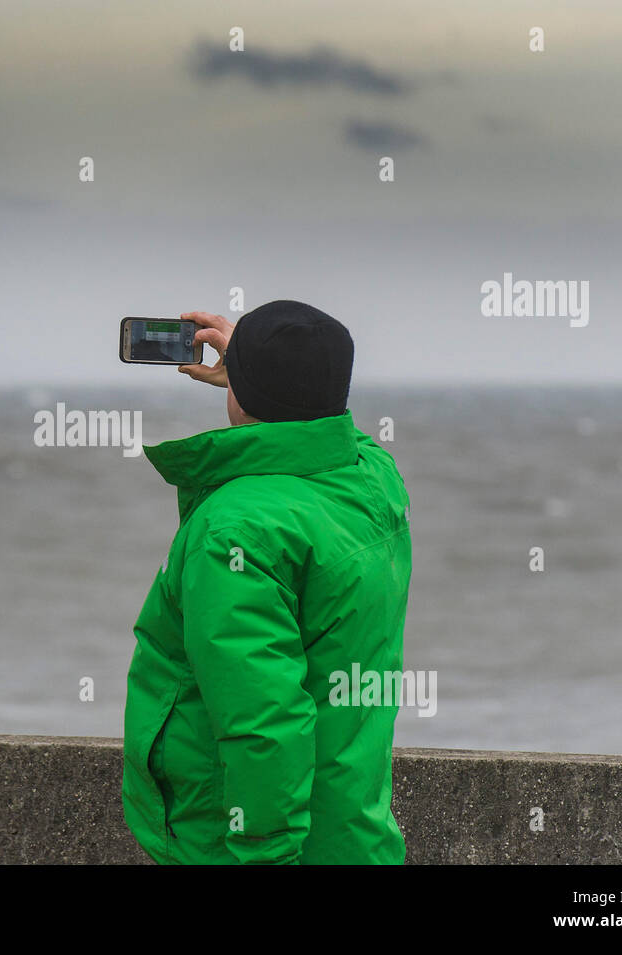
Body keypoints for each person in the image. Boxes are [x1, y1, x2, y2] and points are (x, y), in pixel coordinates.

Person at [122, 299, 413, 864]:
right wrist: (264, 375)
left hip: (248, 850)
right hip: (352, 834)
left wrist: (265, 857)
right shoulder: (372, 483)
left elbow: (263, 725)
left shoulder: (237, 529)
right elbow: (334, 435)